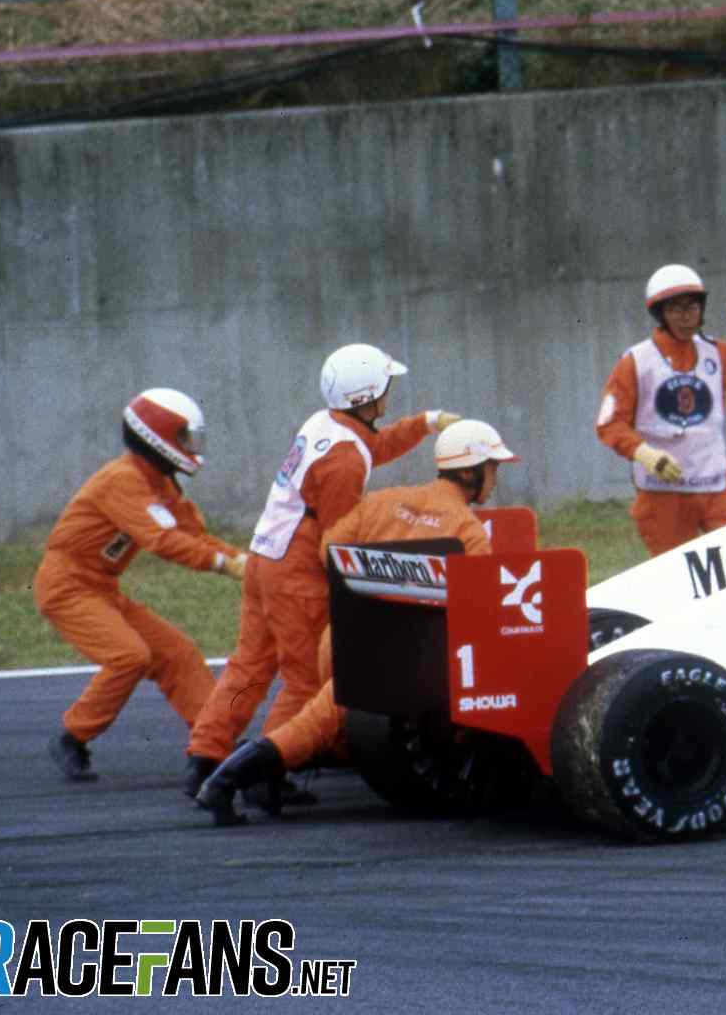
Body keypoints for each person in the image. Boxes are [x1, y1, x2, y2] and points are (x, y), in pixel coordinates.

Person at [196, 419, 516, 824]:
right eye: (494, 468)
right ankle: (223, 784)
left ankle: (260, 775)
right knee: (320, 723)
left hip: (341, 640)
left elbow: (330, 549)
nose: (496, 478)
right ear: (471, 471)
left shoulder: (382, 500)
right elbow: (480, 611)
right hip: (395, 663)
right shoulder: (467, 530)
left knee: (327, 723)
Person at [183, 343, 458, 799]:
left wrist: (428, 423)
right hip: (295, 570)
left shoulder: (327, 424)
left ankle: (206, 754)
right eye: (386, 388)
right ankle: (265, 776)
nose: (390, 397)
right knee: (306, 680)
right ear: (368, 396)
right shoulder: (344, 463)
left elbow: (377, 445)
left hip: (265, 556)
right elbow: (337, 539)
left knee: (249, 667)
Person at [36, 389, 247, 782]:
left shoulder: (161, 485)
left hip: (101, 588)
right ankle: (72, 736)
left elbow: (195, 536)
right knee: (130, 655)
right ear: (158, 437)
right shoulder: (123, 480)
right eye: (184, 436)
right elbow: (162, 540)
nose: (190, 446)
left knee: (179, 653)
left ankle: (217, 742)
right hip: (65, 586)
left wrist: (246, 561)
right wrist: (223, 565)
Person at [596, 263, 726, 556]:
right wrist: (644, 453)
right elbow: (609, 424)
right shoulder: (636, 361)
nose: (685, 317)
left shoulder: (715, 353)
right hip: (662, 491)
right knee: (675, 578)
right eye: (675, 309)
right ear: (660, 314)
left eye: (692, 307)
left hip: (715, 483)